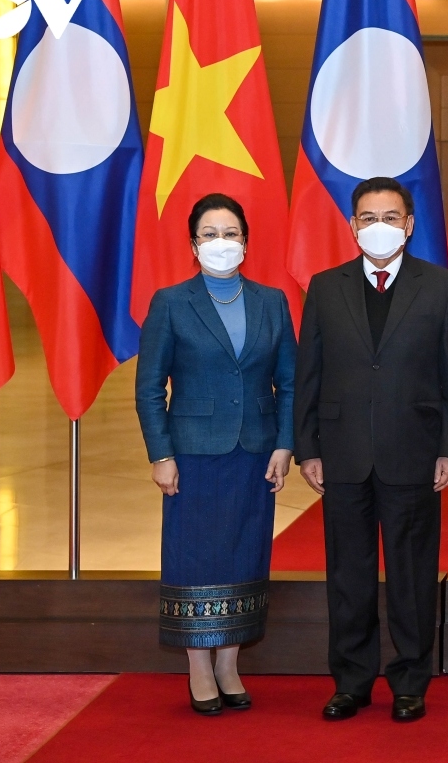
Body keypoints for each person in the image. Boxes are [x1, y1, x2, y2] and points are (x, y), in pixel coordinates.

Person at [294, 176, 448, 723]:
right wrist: (307, 447)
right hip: (342, 451)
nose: (379, 227)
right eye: (368, 218)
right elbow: (309, 374)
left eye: (390, 217)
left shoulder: (440, 286)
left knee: (412, 573)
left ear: (410, 225)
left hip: (413, 451)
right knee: (348, 572)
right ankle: (351, 679)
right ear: (352, 226)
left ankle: (411, 680)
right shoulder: (325, 287)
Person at [135, 193, 296, 715]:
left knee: (245, 552)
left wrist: (285, 443)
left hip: (255, 451)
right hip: (194, 455)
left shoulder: (272, 301)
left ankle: (229, 662)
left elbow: (290, 384)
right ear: (193, 245)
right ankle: (198, 665)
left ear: (246, 242)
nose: (221, 242)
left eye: (231, 233)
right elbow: (148, 386)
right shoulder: (171, 302)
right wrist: (161, 453)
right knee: (195, 556)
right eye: (210, 234)